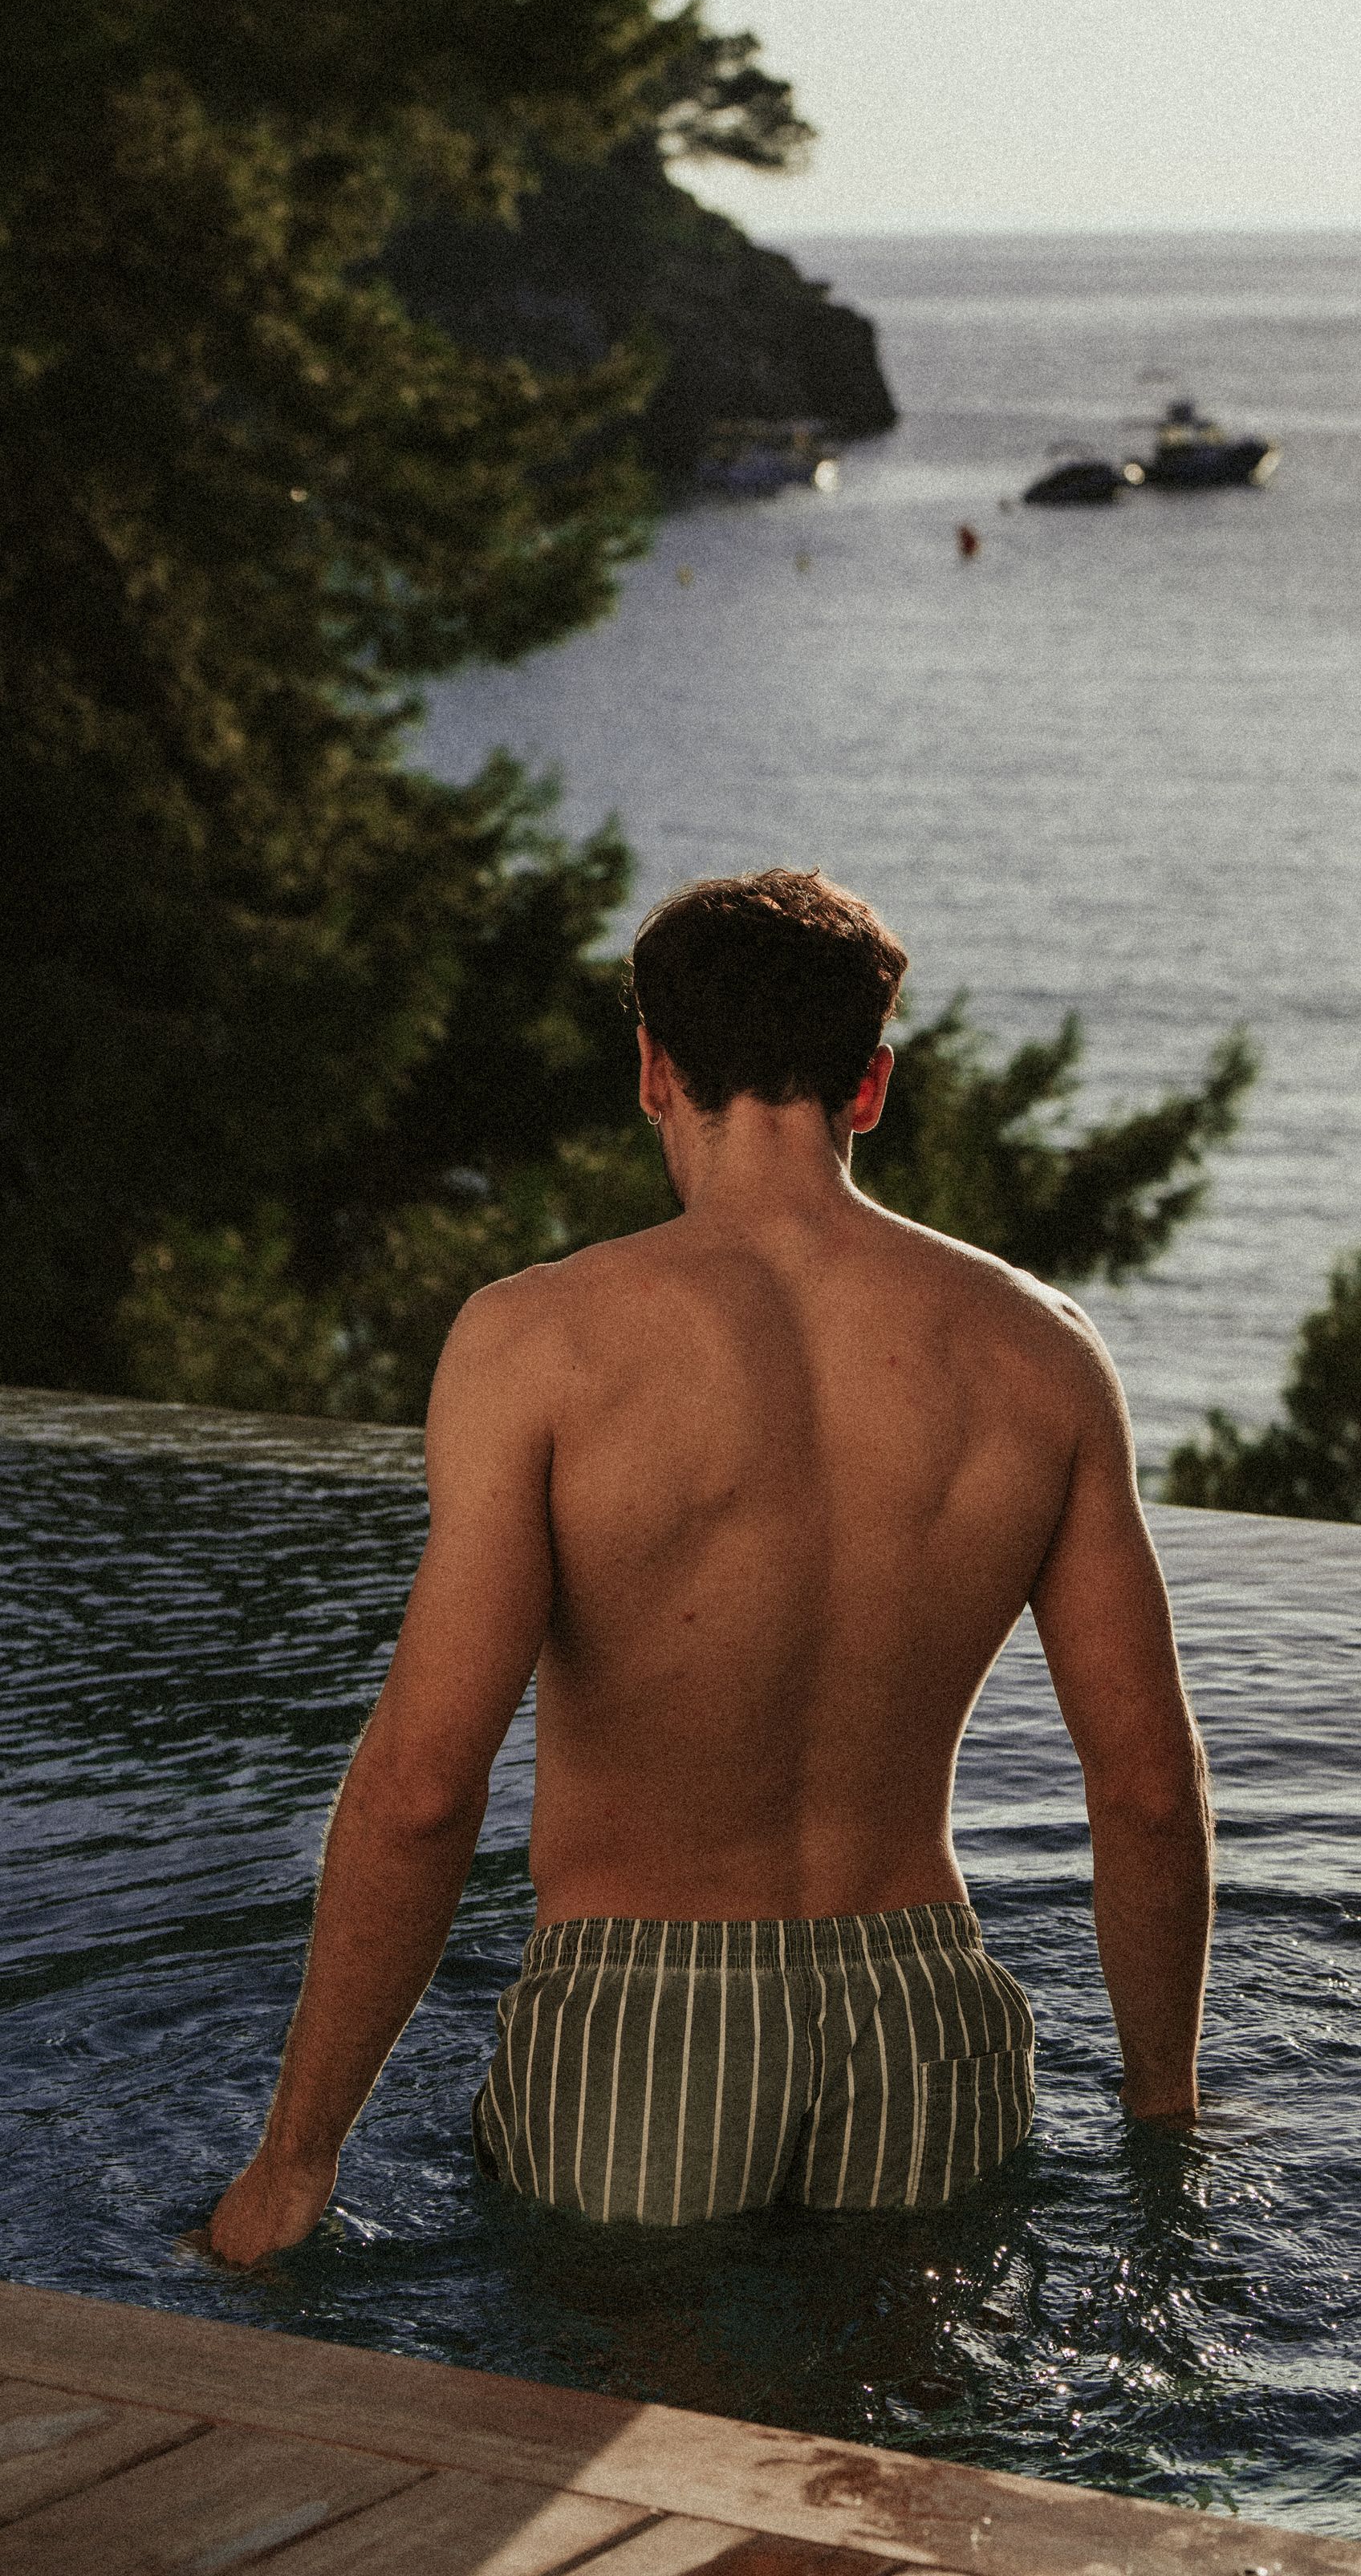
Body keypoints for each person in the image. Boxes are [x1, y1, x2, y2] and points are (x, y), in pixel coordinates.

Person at [207, 868, 1212, 2261]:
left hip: (639, 2020)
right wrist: (1165, 2112)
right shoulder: (1040, 1351)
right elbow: (1149, 1791)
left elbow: (426, 1789)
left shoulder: (536, 1342)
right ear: (872, 1085)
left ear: (653, 1071)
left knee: (621, 2389)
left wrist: (295, 2159)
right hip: (926, 2015)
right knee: (903, 2390)